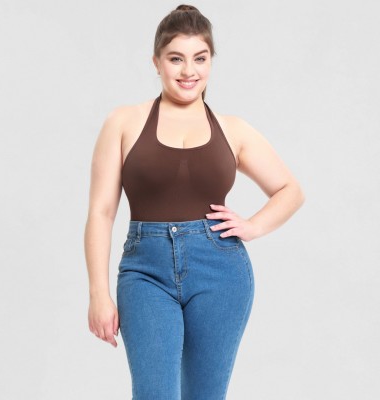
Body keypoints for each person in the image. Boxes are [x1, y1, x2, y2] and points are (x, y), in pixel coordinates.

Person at [84, 4, 305, 399]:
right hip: (145, 273)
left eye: (200, 58)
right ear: (156, 62)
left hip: (221, 272)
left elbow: (290, 190)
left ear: (211, 62)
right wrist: (98, 294)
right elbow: (101, 213)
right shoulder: (124, 122)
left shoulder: (233, 130)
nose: (189, 71)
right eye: (176, 59)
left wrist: (252, 226)